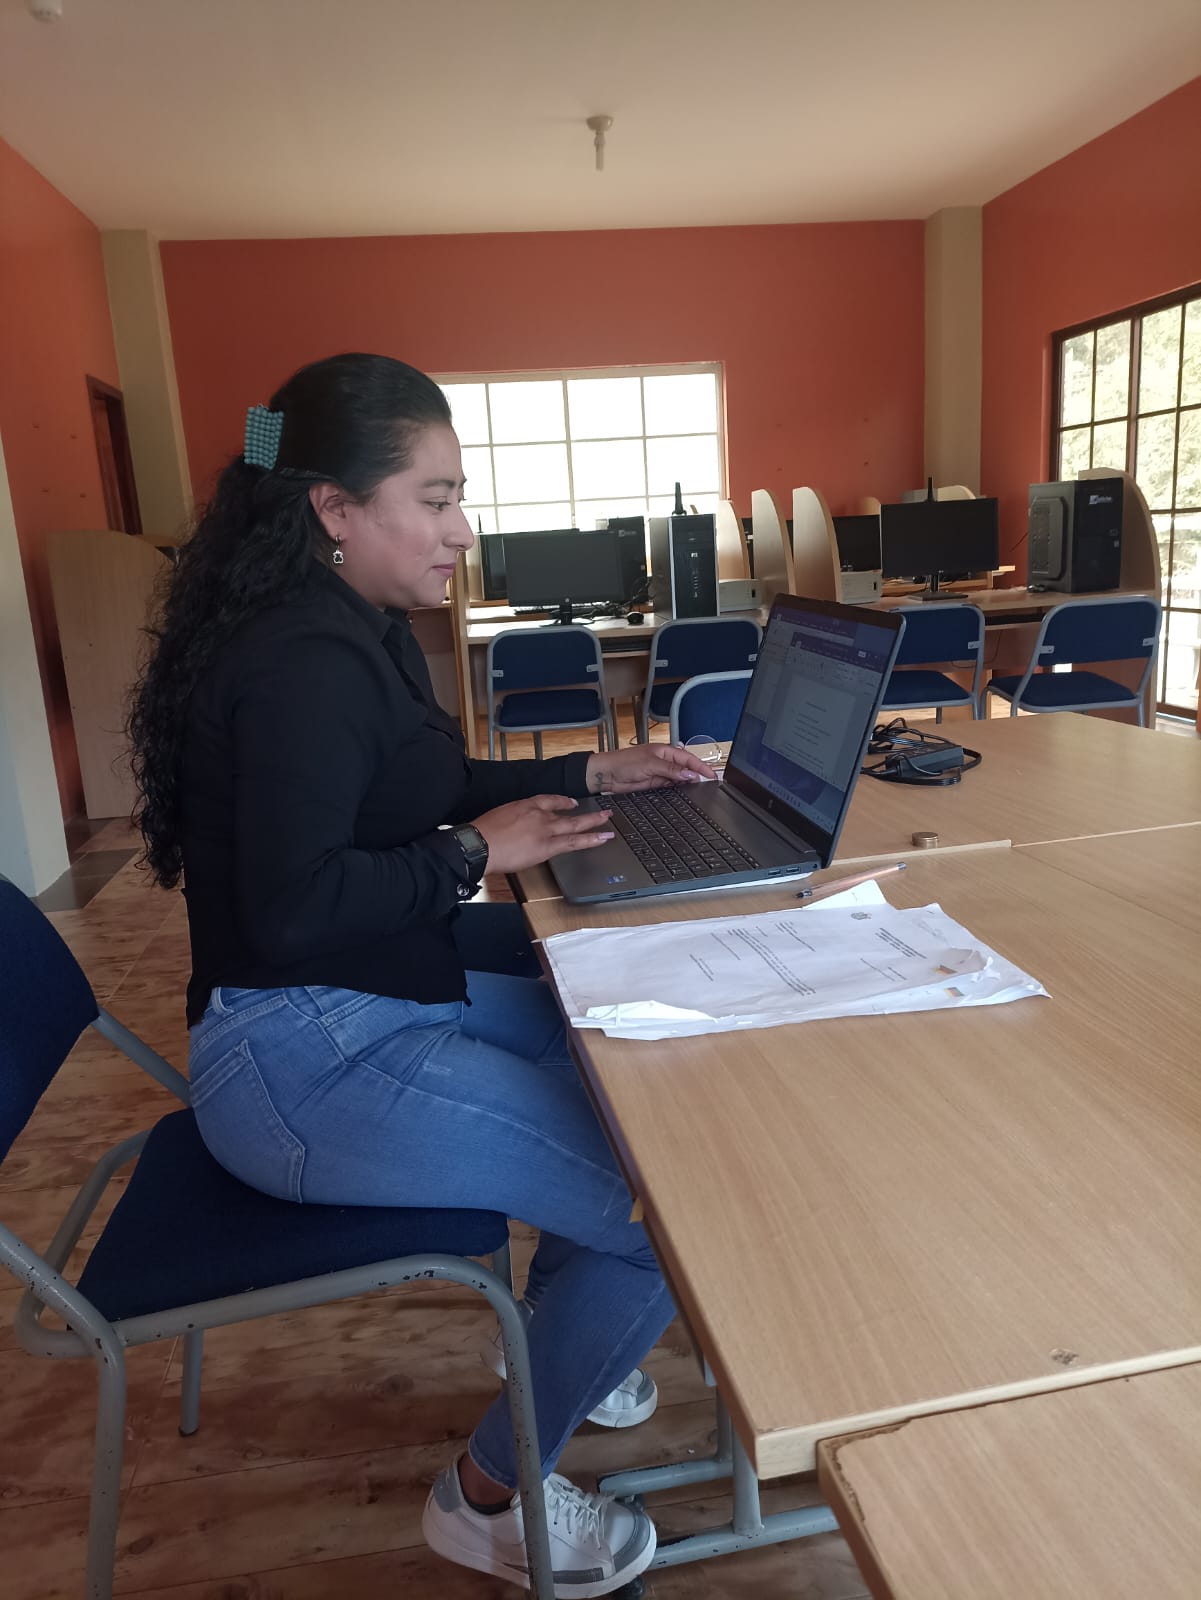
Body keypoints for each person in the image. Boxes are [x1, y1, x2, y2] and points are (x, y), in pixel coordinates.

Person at [127, 352, 714, 1597]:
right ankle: (485, 1500)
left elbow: (422, 786)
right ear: (334, 508)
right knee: (666, 1215)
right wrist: (471, 855)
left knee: (604, 1040)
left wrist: (586, 774)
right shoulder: (297, 661)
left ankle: (563, 1340)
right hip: (301, 1056)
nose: (463, 531)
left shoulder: (353, 623)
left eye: (461, 498)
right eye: (436, 500)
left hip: (362, 999)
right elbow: (294, 909)